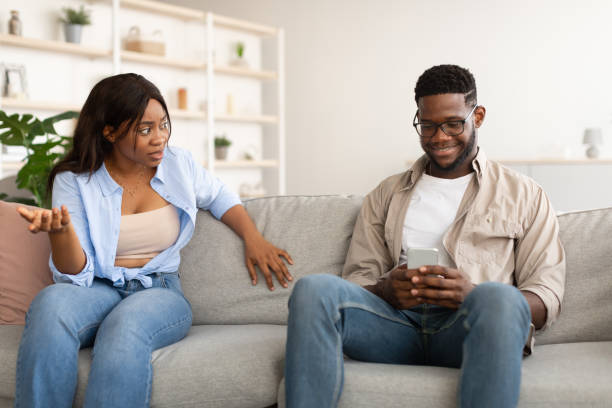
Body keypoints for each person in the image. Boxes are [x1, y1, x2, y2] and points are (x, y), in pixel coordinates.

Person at [284, 64, 565, 408]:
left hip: (468, 330)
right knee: (313, 289)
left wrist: (473, 295)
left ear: (477, 116)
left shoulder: (525, 194)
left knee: (499, 298)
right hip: (395, 327)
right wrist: (386, 289)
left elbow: (546, 296)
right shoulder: (386, 194)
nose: (439, 136)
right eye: (428, 125)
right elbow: (358, 282)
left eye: (453, 123)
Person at [14, 73, 293, 408]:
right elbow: (75, 274)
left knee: (125, 325)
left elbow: (219, 195)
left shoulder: (179, 164)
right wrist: (61, 234)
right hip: (97, 288)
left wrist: (253, 238)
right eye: (144, 130)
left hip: (159, 291)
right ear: (110, 131)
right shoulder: (75, 180)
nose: (159, 138)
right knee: (50, 304)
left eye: (163, 125)